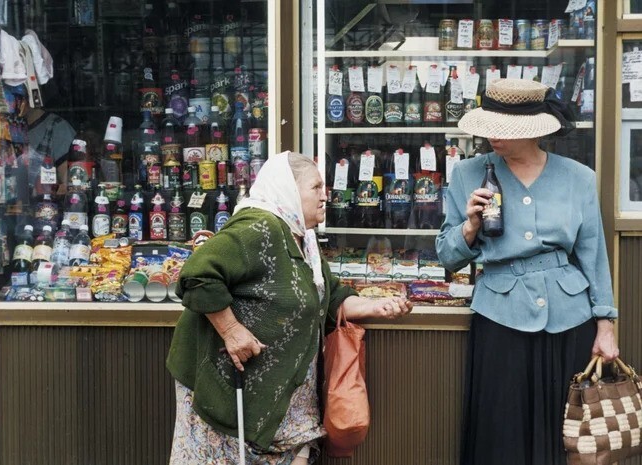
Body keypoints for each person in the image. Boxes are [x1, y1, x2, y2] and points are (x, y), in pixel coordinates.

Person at [166, 151, 412, 464]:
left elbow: (329, 296)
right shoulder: (259, 227)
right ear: (288, 190)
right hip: (226, 385)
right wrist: (231, 330)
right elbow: (196, 274)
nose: (325, 195)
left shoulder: (304, 239)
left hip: (282, 394)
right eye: (315, 188)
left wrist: (377, 307)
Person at [435, 78, 619, 465]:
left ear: (534, 129)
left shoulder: (578, 178)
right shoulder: (468, 173)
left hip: (569, 318)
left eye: (502, 130)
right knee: (501, 433)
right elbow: (446, 255)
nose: (492, 137)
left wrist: (606, 325)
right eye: (488, 128)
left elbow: (594, 255)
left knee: (566, 433)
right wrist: (469, 227)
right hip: (500, 316)